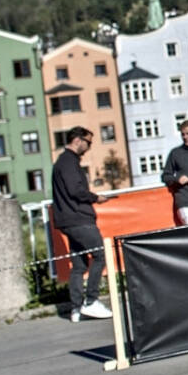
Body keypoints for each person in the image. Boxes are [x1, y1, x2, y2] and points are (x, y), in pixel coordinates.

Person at [51, 126, 114, 321]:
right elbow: (75, 190)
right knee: (100, 255)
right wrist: (96, 198)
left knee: (79, 265)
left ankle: (76, 309)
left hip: (67, 219)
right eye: (88, 142)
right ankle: (91, 301)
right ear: (77, 140)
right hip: (79, 217)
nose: (89, 147)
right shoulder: (69, 162)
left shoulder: (62, 162)